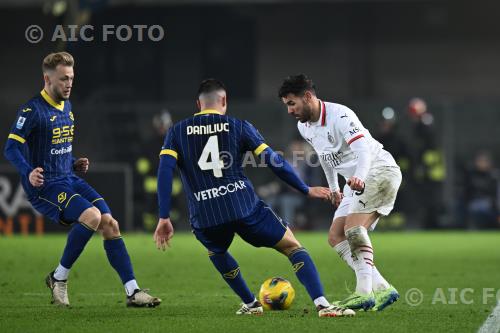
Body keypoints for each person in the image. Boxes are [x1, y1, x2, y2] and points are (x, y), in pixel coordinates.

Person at [154, 79, 355, 318]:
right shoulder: (238, 126)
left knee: (216, 251)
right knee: (293, 247)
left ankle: (251, 304)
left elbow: (164, 171)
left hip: (205, 212)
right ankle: (323, 305)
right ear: (224, 101)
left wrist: (164, 216)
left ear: (198, 104)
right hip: (243, 205)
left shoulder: (176, 131)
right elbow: (274, 161)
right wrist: (304, 189)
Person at [3, 52, 160, 307]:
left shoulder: (68, 106)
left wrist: (73, 161)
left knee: (110, 224)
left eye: (72, 78)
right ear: (47, 79)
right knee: (92, 216)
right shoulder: (32, 110)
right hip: (45, 186)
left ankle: (133, 292)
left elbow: (56, 146)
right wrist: (28, 171)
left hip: (68, 177)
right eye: (64, 79)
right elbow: (11, 147)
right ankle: (59, 277)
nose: (69, 84)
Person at [279, 74, 401, 311]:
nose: (289, 110)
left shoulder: (341, 115)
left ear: (307, 97)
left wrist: (358, 177)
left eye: (292, 103)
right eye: (286, 105)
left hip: (378, 170)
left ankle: (363, 293)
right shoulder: (304, 127)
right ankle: (383, 287)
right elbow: (326, 157)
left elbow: (364, 150)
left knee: (354, 229)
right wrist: (334, 188)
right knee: (336, 236)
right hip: (353, 182)